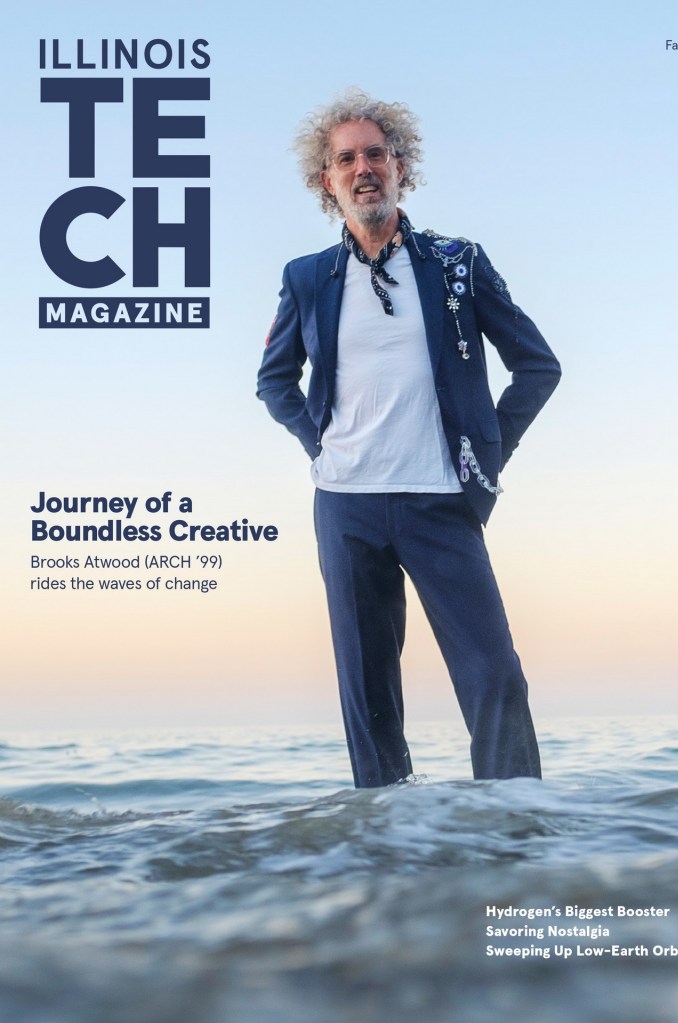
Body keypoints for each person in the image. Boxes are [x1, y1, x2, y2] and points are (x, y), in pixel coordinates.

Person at [257, 89, 561, 788]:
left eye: (375, 153)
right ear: (326, 181)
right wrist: (320, 444)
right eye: (345, 159)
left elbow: (538, 365)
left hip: (440, 500)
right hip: (347, 506)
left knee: (495, 678)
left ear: (401, 166)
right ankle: (392, 850)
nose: (363, 167)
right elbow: (275, 382)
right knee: (368, 699)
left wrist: (485, 451)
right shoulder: (306, 278)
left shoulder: (456, 262)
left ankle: (513, 834)